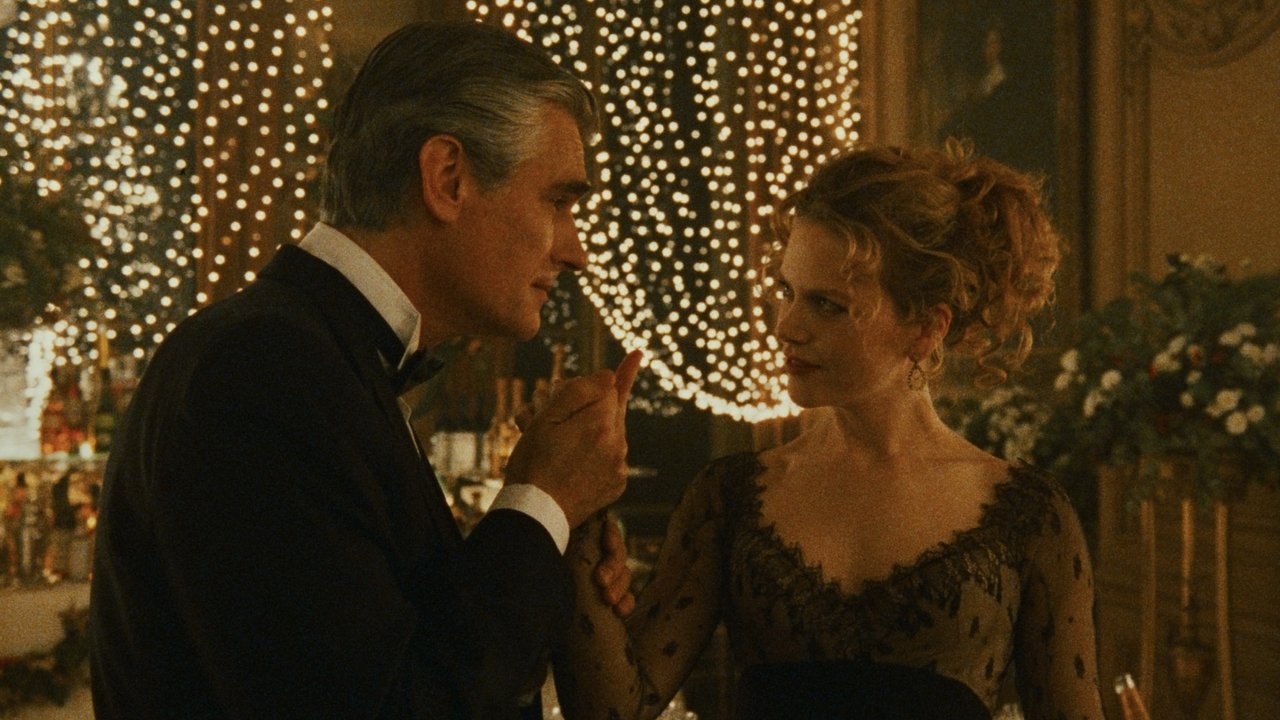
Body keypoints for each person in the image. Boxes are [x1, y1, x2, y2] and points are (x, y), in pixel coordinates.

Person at [90, 22, 636, 719]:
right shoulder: (265, 369)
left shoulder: (312, 355)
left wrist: (553, 537)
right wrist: (541, 501)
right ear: (447, 178)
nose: (576, 249)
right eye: (557, 202)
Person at [553, 141, 1105, 719]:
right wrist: (576, 513)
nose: (786, 326)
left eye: (827, 305)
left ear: (925, 328)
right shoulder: (730, 497)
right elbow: (611, 712)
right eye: (787, 293)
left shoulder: (1027, 515)